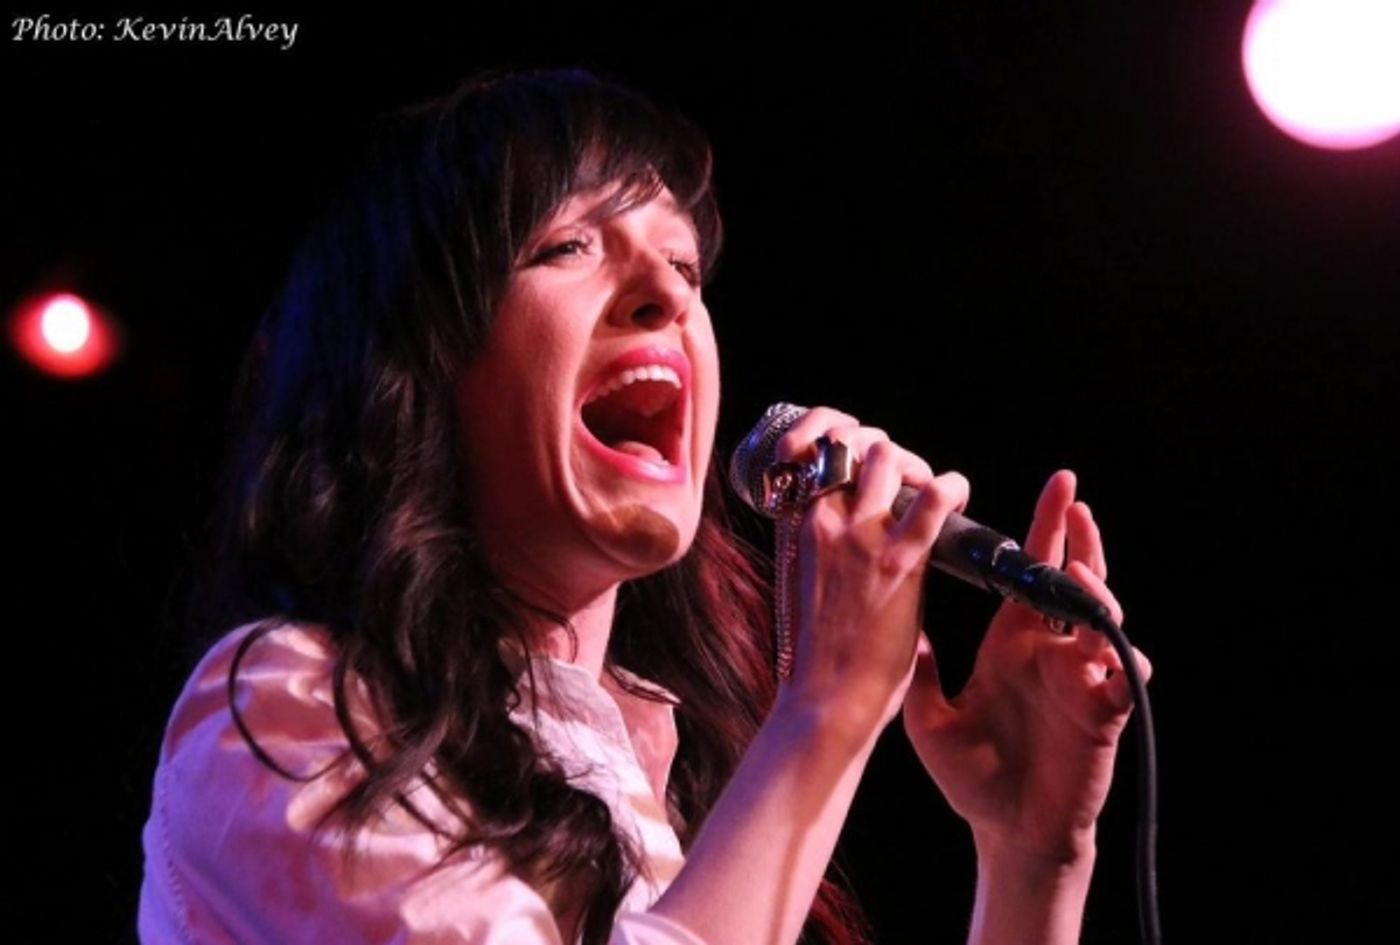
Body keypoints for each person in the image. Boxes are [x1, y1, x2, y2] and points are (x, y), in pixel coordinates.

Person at [138, 67, 1151, 945]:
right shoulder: (288, 711)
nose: (663, 296)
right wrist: (829, 710)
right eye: (569, 245)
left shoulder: (674, 779)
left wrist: (1029, 859)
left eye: (682, 266)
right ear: (418, 368)